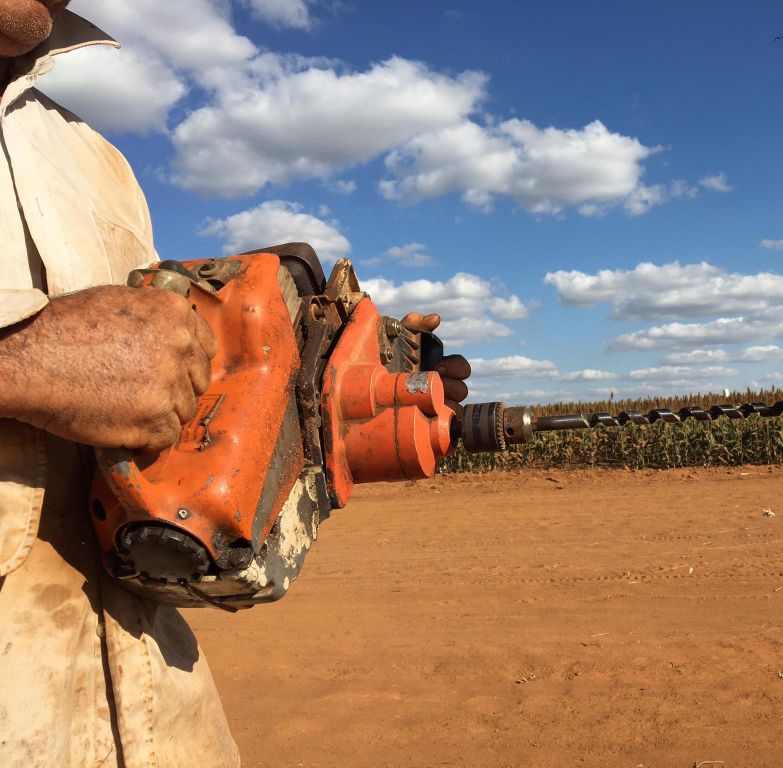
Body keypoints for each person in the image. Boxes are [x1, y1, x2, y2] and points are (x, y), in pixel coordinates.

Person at [0, 3, 471, 765]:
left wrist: (341, 403)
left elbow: (171, 435)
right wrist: (21, 361)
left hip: (154, 717)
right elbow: (81, 365)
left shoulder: (92, 161)